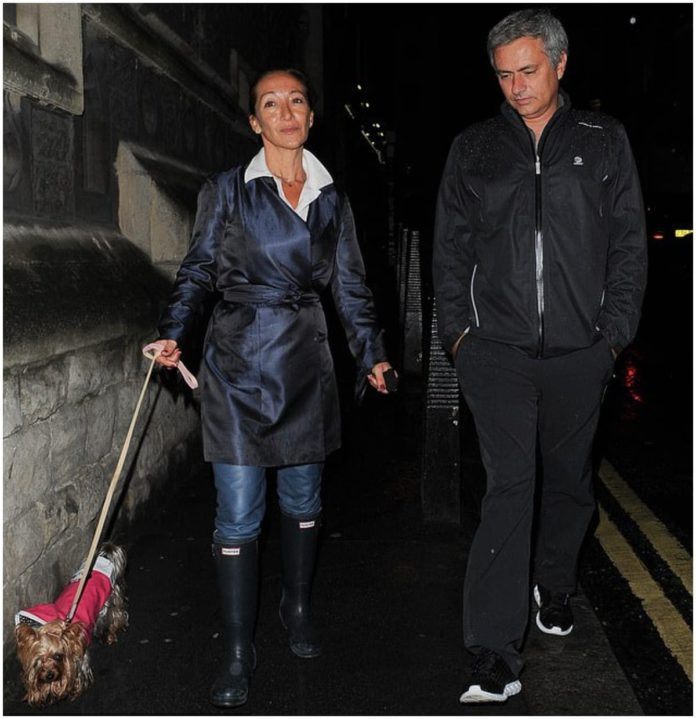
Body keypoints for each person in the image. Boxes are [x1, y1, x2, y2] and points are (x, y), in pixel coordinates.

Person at [153, 68, 394, 708]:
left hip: (307, 366)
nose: (285, 112)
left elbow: (349, 285)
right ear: (255, 123)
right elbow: (198, 271)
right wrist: (175, 331)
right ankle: (237, 648)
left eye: (296, 101)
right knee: (237, 514)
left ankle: (297, 603)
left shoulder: (330, 198)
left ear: (310, 117)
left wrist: (371, 354)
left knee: (304, 498)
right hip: (236, 366)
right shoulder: (228, 191)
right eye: (270, 104)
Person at [432, 8, 647, 704]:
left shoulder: (602, 141)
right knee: (509, 486)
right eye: (503, 74)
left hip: (582, 349)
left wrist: (612, 335)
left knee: (568, 482)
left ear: (559, 63)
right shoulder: (473, 148)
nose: (516, 85)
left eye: (527, 70)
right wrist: (459, 337)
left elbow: (628, 247)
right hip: (494, 350)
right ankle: (493, 651)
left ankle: (554, 583)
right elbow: (450, 251)